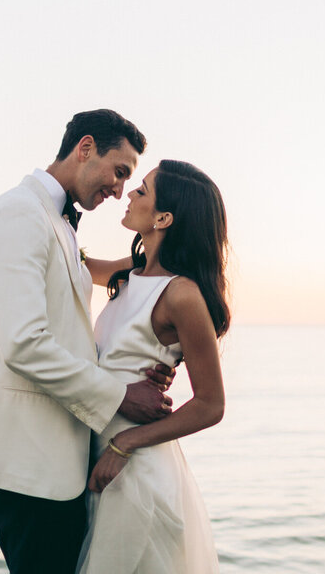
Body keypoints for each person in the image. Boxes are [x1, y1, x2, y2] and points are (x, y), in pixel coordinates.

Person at [0, 109, 175, 574]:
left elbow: (119, 286)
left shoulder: (58, 224)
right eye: (119, 172)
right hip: (30, 462)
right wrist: (121, 394)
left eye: (128, 180)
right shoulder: (17, 215)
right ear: (85, 148)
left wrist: (146, 357)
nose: (119, 191)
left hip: (62, 463)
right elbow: (24, 344)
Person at [77, 159, 231, 573]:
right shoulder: (130, 275)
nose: (129, 193)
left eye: (142, 190)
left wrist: (126, 444)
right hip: (100, 457)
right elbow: (72, 264)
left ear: (163, 218)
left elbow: (210, 405)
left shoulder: (182, 295)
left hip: (136, 465)